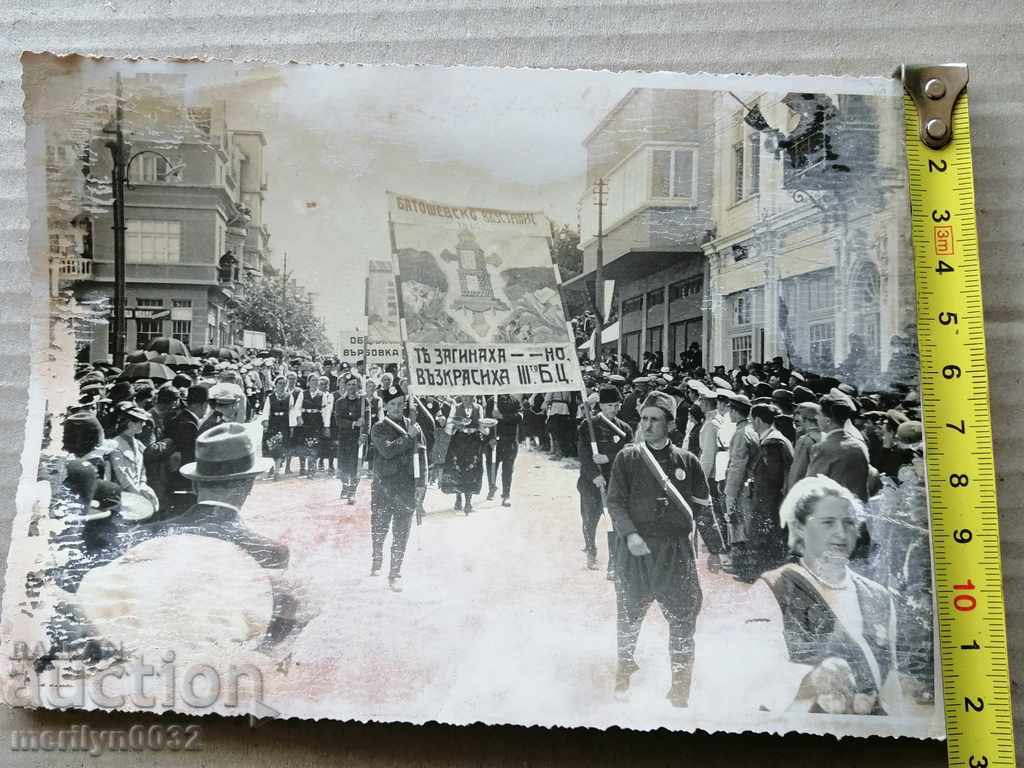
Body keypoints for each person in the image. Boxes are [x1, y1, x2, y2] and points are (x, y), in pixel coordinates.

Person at [738, 476, 901, 715]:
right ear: (800, 528)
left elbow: (890, 689)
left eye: (849, 523)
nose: (841, 533)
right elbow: (757, 672)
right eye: (827, 523)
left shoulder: (878, 596)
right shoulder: (773, 588)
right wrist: (814, 679)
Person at [606, 391, 711, 708]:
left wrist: (711, 547)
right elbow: (615, 502)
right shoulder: (628, 457)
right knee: (628, 615)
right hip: (635, 551)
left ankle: (680, 690)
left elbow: (703, 505)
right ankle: (623, 675)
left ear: (670, 425)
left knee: (683, 617)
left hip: (674, 553)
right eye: (644, 419)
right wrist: (630, 534)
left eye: (655, 419)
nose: (648, 425)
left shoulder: (687, 462)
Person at [577, 385, 633, 572]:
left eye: (617, 405)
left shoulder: (624, 428)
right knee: (589, 520)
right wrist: (595, 475)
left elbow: (628, 452)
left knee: (614, 523)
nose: (614, 409)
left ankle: (613, 562)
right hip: (591, 483)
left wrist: (608, 457)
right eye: (609, 405)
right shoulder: (588, 425)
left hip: (615, 483)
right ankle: (591, 550)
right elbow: (584, 454)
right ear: (601, 406)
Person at [370, 386, 420, 591]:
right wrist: (408, 438)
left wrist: (422, 484)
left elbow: (422, 456)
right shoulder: (379, 427)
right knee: (380, 526)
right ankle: (377, 555)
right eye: (393, 404)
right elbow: (387, 451)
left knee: (402, 530)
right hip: (385, 484)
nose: (398, 408)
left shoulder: (414, 426)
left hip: (406, 485)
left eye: (401, 403)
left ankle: (395, 572)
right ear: (386, 406)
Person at [739, 403, 794, 582]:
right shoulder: (777, 438)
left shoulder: (772, 443)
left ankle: (756, 575)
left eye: (751, 420)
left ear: (757, 420)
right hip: (774, 500)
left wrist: (760, 505)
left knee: (763, 538)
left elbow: (770, 480)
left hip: (768, 501)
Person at [806, 391, 870, 501]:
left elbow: (811, 486)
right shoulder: (859, 445)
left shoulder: (822, 448)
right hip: (855, 510)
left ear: (827, 421)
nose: (816, 417)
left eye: (819, 414)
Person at [723, 392, 758, 575]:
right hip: (749, 485)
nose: (729, 413)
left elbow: (737, 465)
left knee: (737, 524)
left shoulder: (741, 434)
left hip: (742, 487)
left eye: (731, 409)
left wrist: (730, 493)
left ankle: (741, 565)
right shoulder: (750, 430)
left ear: (736, 412)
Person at [106, 402, 160, 515]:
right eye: (140, 422)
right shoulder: (115, 444)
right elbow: (121, 475)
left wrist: (143, 485)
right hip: (124, 494)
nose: (143, 424)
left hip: (138, 489)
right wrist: (138, 494)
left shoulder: (137, 443)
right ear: (130, 424)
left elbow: (142, 469)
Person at [441, 395, 487, 514]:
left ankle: (468, 502)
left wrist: (485, 429)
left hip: (474, 442)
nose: (466, 399)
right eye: (464, 396)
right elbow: (448, 430)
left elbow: (483, 427)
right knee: (458, 470)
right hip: (459, 442)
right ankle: (458, 498)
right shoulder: (455, 407)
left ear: (473, 397)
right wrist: (453, 425)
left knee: (471, 470)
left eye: (469, 396)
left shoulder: (479, 408)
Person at [332, 374, 365, 503]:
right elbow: (338, 420)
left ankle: (352, 491)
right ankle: (345, 486)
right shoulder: (340, 402)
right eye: (349, 384)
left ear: (358, 386)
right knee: (343, 464)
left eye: (354, 384)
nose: (351, 387)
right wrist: (353, 423)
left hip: (358, 438)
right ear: (345, 386)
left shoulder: (363, 402)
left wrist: (365, 434)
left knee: (356, 464)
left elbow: (367, 420)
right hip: (345, 437)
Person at [491, 394, 523, 506]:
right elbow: (486, 420)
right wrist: (490, 438)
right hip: (495, 440)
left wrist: (502, 416)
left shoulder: (514, 401)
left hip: (510, 440)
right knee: (492, 466)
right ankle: (492, 487)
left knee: (508, 469)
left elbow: (520, 416)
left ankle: (506, 495)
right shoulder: (492, 401)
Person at [297, 373, 330, 478]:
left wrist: (326, 425)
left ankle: (312, 468)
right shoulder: (303, 393)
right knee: (304, 443)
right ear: (308, 382)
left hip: (316, 421)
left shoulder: (322, 395)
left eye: (316, 381)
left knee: (314, 444)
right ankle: (303, 467)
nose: (315, 383)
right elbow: (297, 407)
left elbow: (325, 411)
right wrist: (299, 417)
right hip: (305, 420)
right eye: (312, 380)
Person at [260, 375, 293, 479]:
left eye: (284, 384)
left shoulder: (289, 396)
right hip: (273, 423)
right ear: (275, 384)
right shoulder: (270, 397)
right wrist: (265, 422)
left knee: (280, 447)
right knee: (272, 446)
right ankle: (271, 468)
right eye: (280, 383)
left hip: (284, 423)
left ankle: (277, 472)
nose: (282, 386)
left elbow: (291, 412)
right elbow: (266, 411)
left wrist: (291, 426)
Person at [787, 402, 822, 493]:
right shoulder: (825, 436)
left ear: (802, 418)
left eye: (797, 421)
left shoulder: (805, 441)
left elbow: (796, 473)